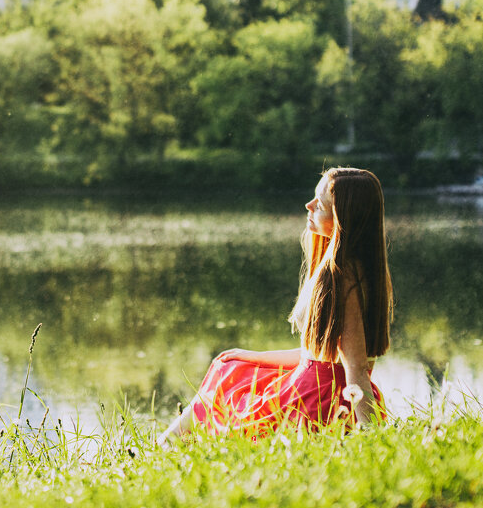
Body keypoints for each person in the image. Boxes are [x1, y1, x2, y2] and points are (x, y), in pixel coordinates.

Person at [158, 167, 394, 444]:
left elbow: (355, 367)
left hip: (317, 403)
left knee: (227, 376)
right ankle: (165, 445)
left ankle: (164, 446)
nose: (308, 206)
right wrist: (249, 355)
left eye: (320, 205)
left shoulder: (343, 276)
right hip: (314, 387)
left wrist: (373, 438)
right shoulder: (352, 268)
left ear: (343, 218)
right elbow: (317, 357)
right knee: (229, 364)